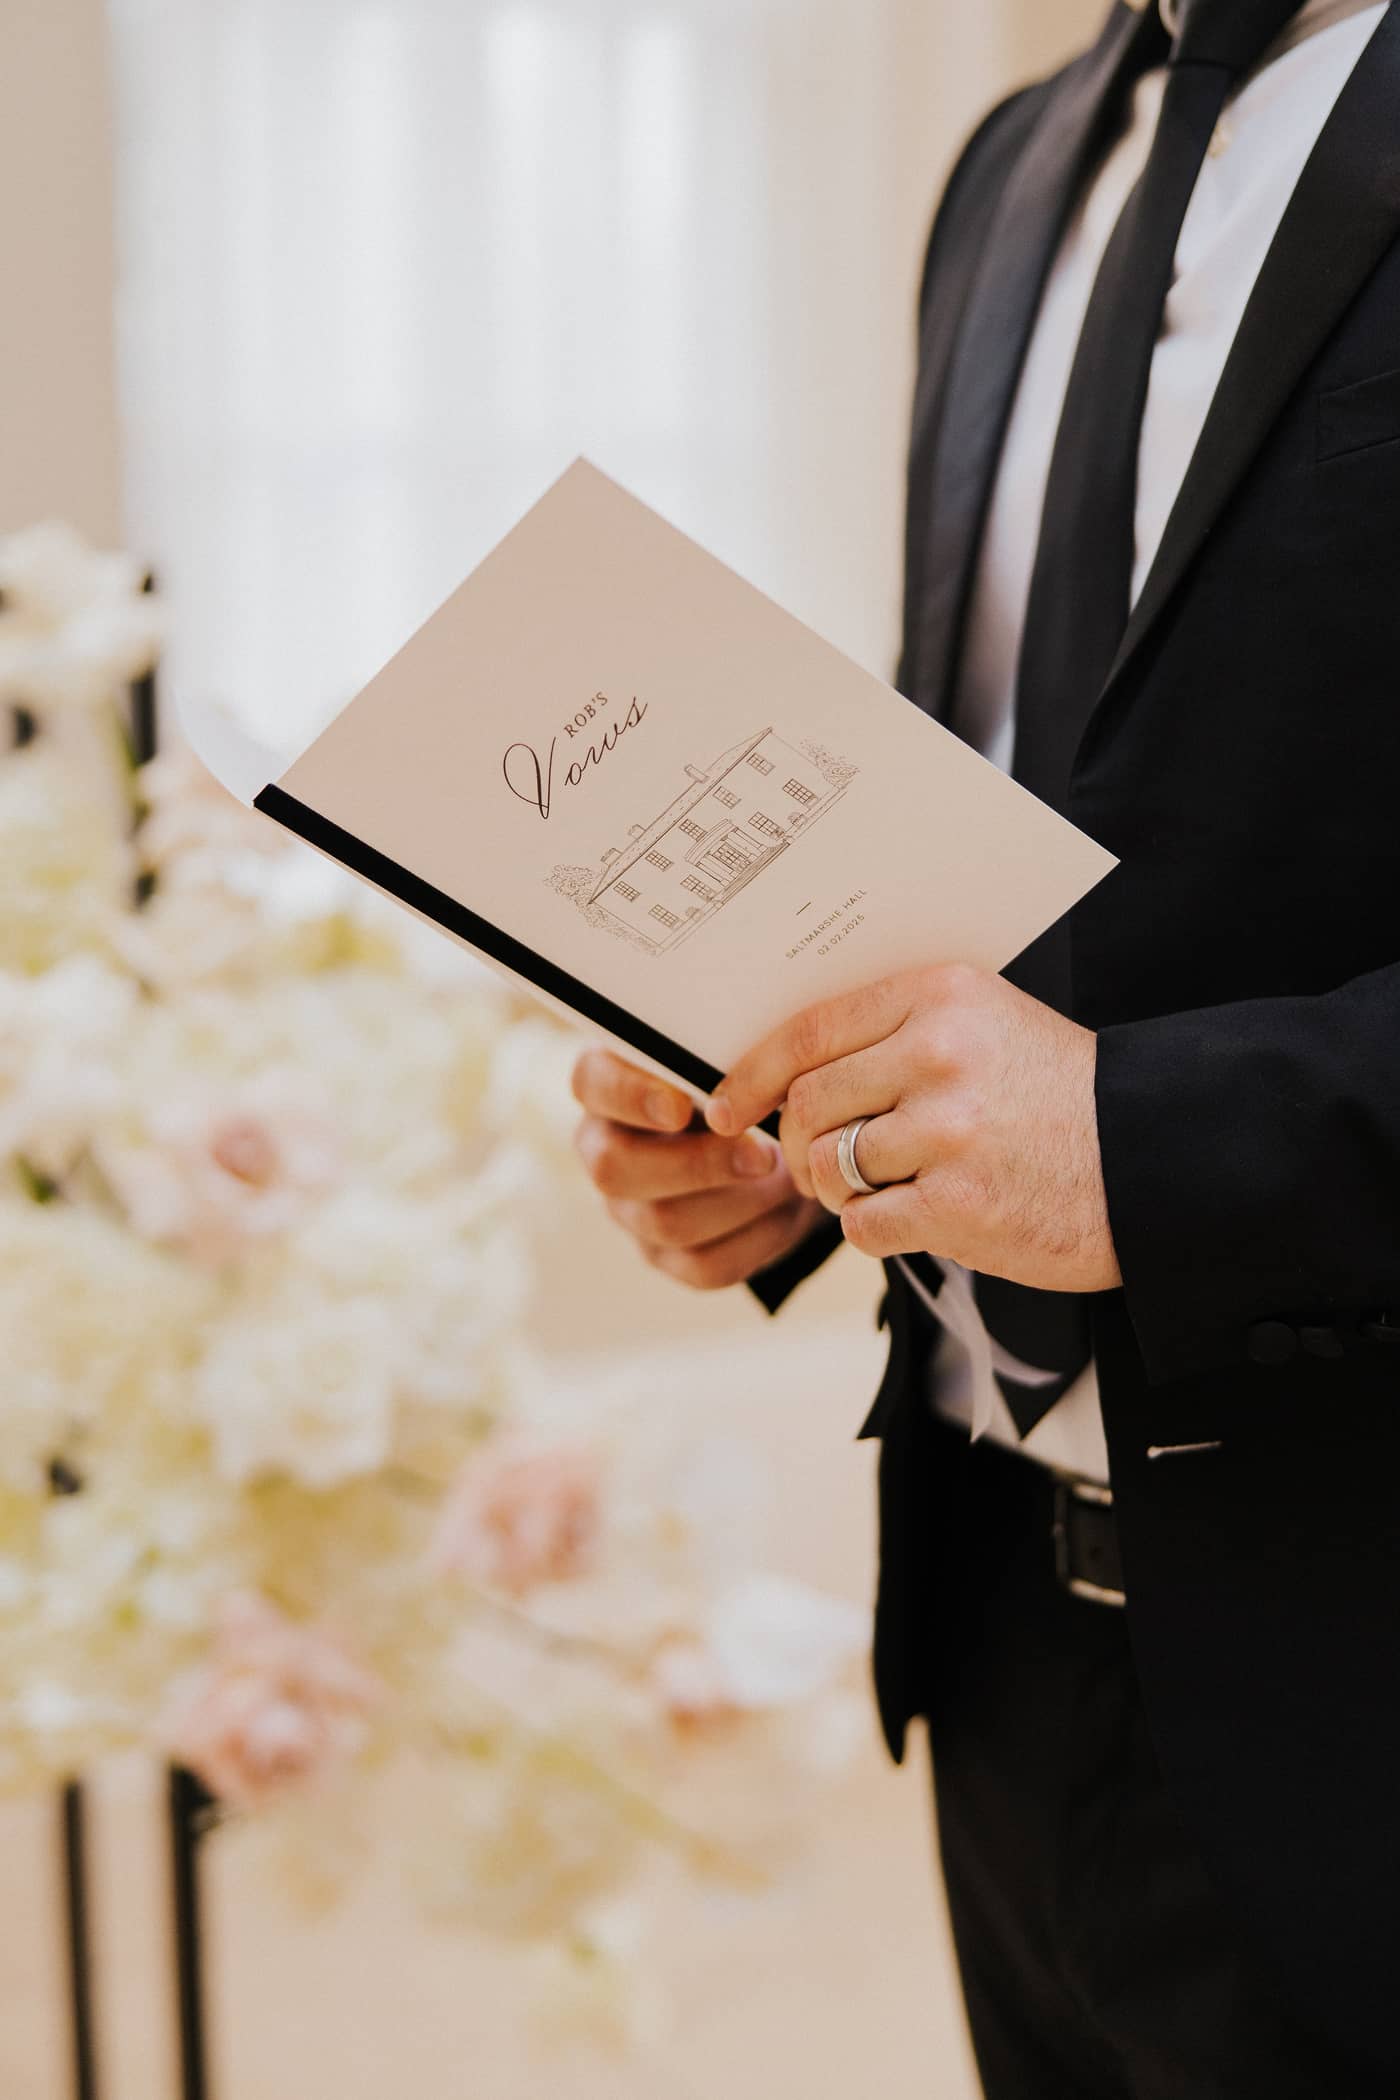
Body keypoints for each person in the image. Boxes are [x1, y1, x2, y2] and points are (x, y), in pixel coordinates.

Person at [571, 0, 1400, 2088]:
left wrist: (1143, 1143)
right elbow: (1017, 796)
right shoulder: (1014, 166)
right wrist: (789, 1110)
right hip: (1001, 1633)